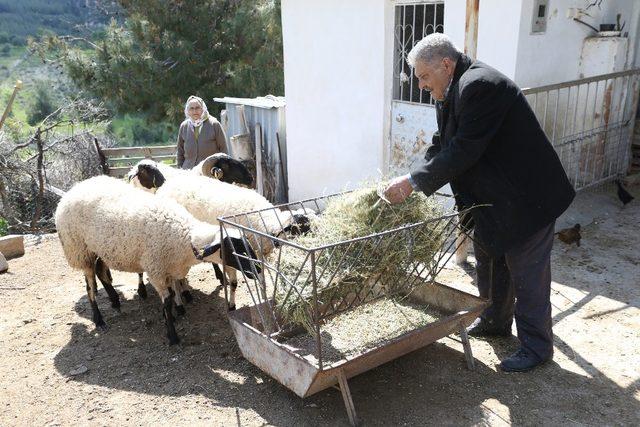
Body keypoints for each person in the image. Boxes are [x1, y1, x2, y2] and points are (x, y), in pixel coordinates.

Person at [383, 33, 575, 372]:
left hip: (525, 198)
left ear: (446, 64)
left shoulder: (480, 85)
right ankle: (494, 321)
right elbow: (444, 142)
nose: (422, 86)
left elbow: (464, 150)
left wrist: (414, 183)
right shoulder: (450, 90)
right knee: (488, 259)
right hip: (492, 199)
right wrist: (414, 175)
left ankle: (536, 347)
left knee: (527, 272)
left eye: (425, 77)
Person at [176, 95, 228, 169]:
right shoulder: (184, 126)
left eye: (197, 108)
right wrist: (179, 170)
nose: (194, 111)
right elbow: (180, 152)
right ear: (188, 111)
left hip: (209, 172)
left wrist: (222, 169)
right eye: (191, 108)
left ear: (203, 108)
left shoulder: (214, 124)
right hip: (188, 172)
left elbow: (224, 150)